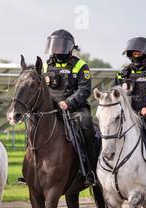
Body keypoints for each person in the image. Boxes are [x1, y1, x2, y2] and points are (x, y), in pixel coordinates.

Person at [44, 29, 96, 186]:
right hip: (52, 109)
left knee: (87, 124)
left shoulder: (81, 65)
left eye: (60, 46)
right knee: (34, 126)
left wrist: (68, 102)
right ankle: (31, 170)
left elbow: (84, 90)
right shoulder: (47, 65)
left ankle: (91, 170)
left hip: (75, 109)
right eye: (55, 46)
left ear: (69, 47)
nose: (57, 50)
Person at [115, 37, 146, 149]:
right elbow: (114, 96)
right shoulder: (121, 74)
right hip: (125, 116)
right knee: (107, 131)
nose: (136, 54)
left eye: (139, 52)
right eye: (134, 52)